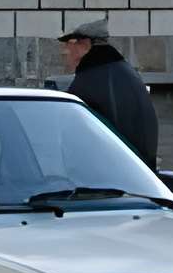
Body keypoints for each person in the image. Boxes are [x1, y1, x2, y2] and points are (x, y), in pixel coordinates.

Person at [59, 20, 159, 171]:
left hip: (112, 176)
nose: (65, 51)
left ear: (85, 44)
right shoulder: (123, 71)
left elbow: (76, 139)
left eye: (70, 43)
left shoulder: (91, 79)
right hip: (138, 171)